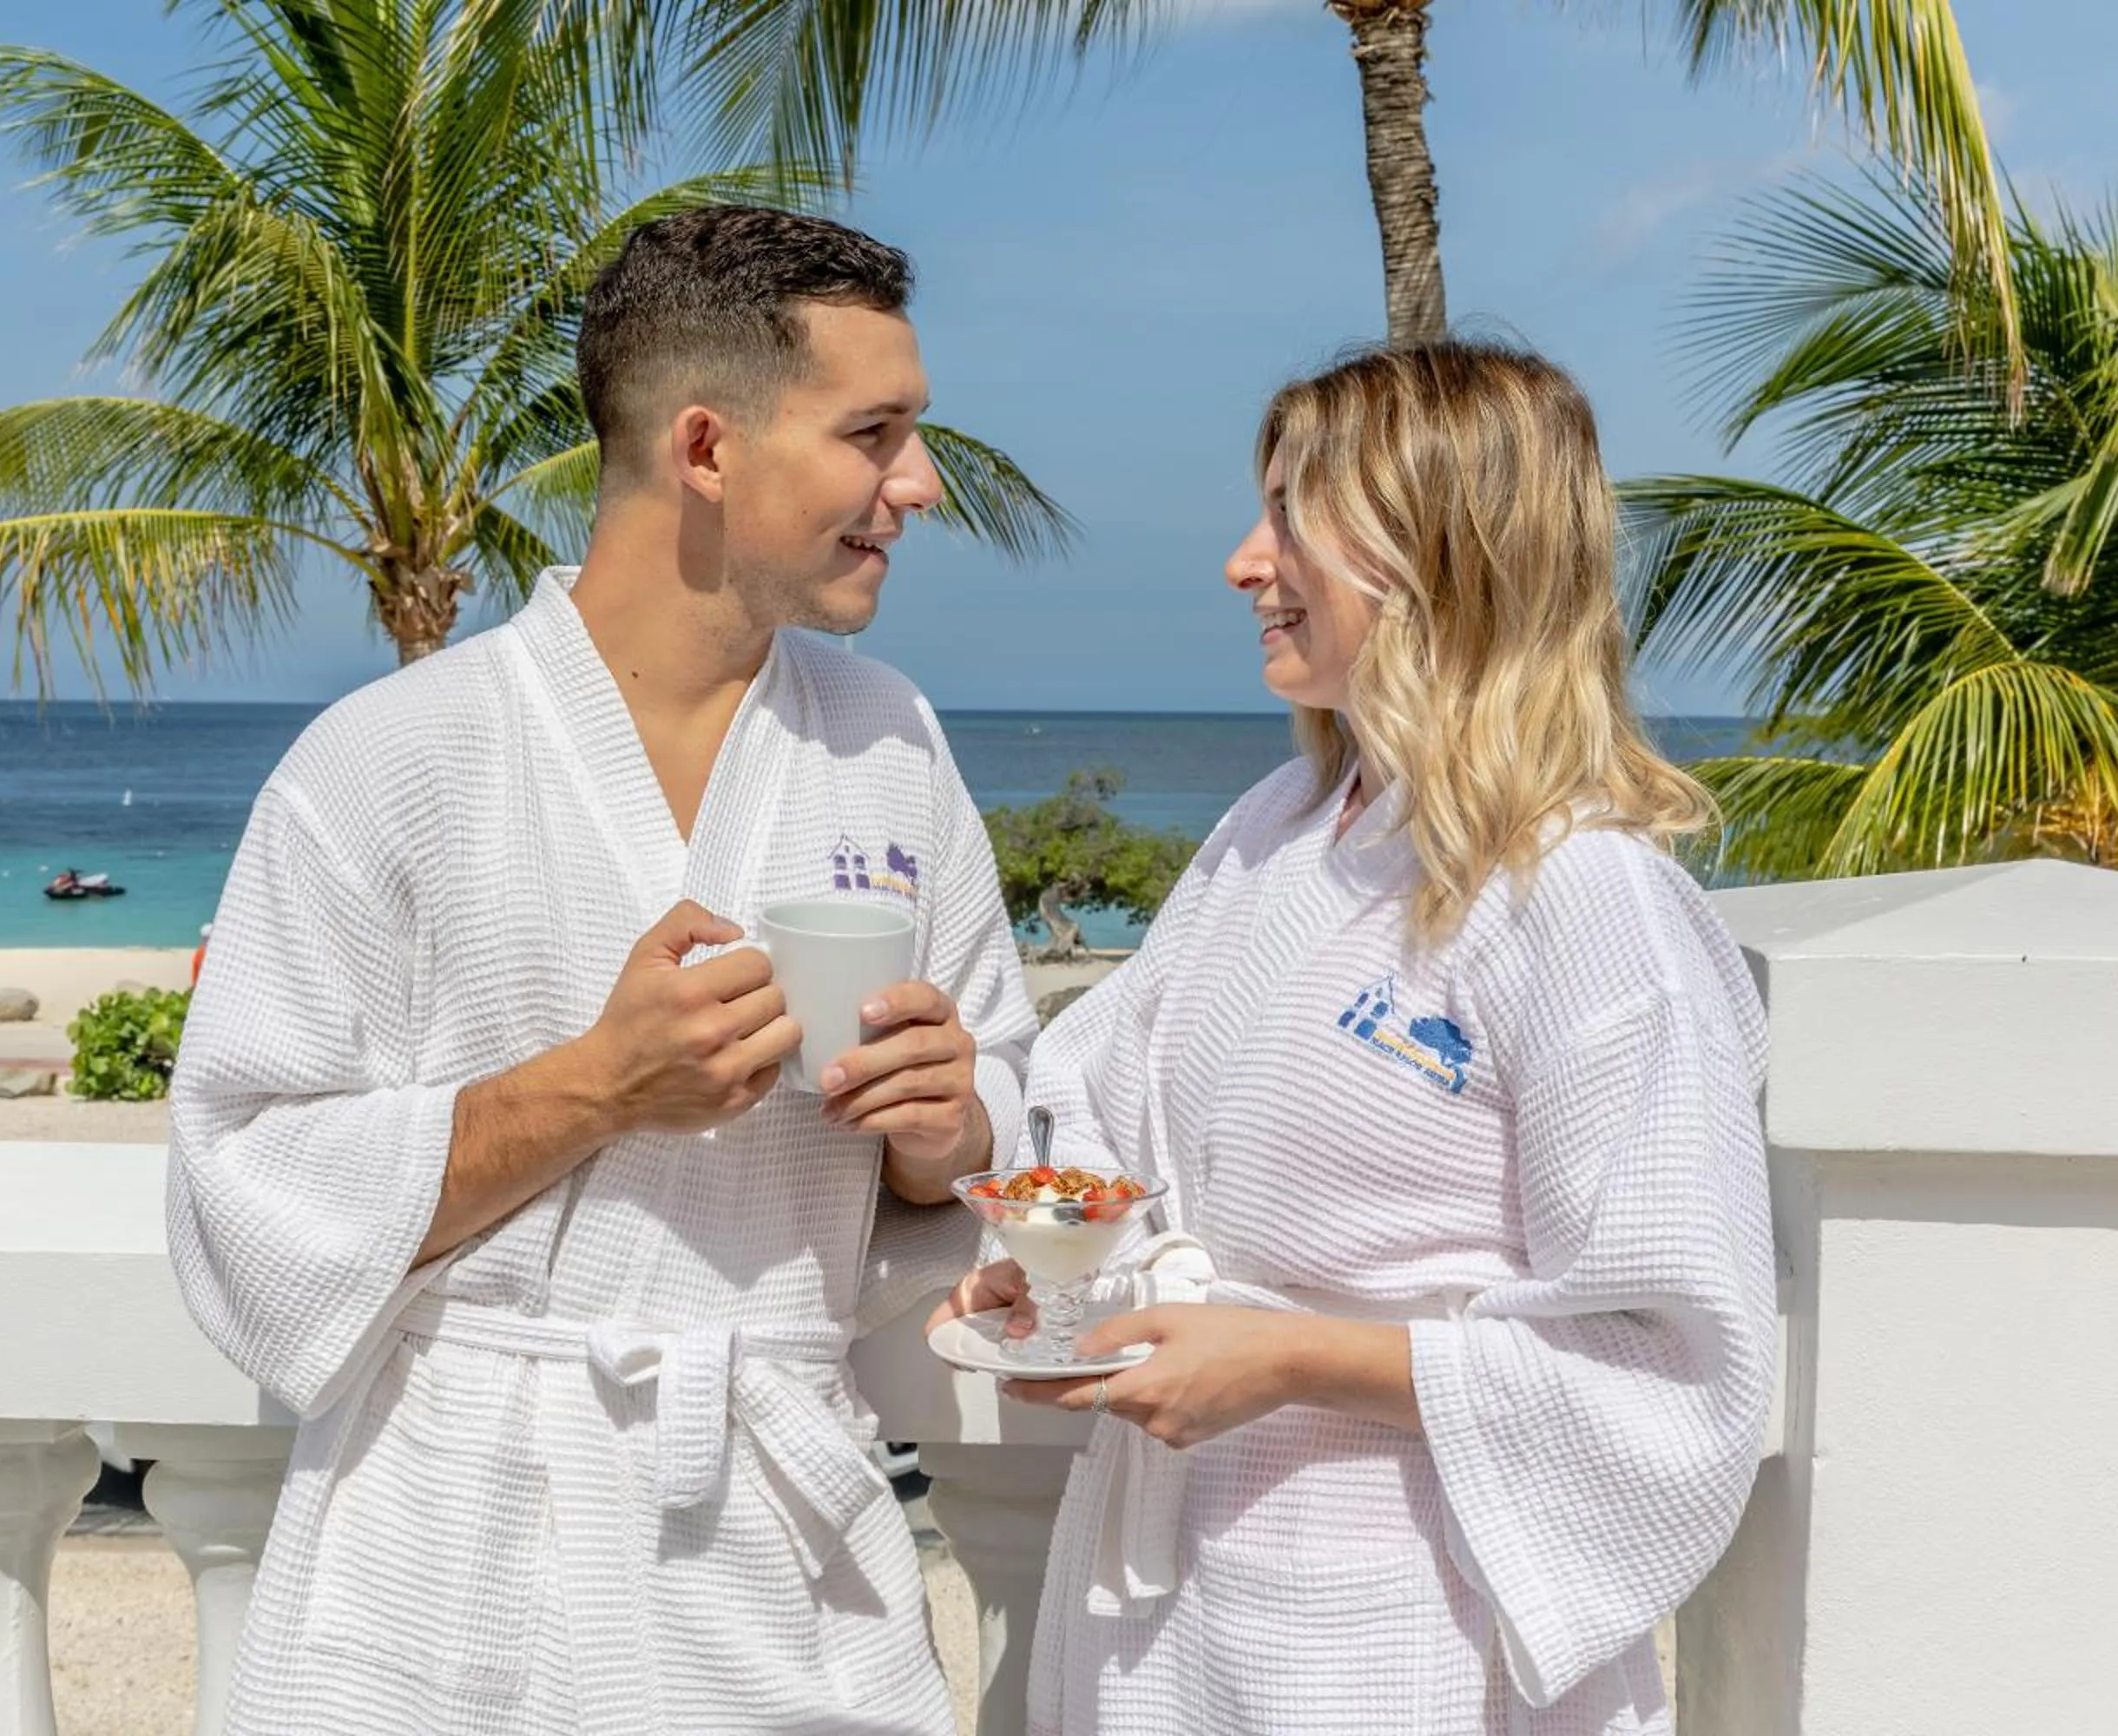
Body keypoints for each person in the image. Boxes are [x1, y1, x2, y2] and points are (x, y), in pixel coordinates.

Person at [168, 207, 1039, 1735]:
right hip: (450, 1553)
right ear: (708, 448)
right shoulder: (390, 761)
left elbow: (996, 1122)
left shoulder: (888, 742)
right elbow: (244, 1180)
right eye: (876, 433)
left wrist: (945, 1130)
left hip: (778, 1543)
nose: (921, 484)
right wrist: (596, 1086)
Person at [933, 341, 1774, 1735]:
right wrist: (1056, 1273)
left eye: (1286, 515)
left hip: (1403, 1638)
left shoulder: (1581, 896)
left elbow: (1673, 1350)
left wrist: (1294, 1359)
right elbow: (1096, 1103)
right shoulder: (1268, 836)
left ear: (1434, 552)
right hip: (1171, 1618)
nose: (1240, 561)